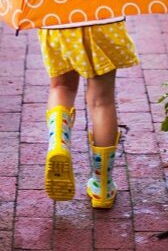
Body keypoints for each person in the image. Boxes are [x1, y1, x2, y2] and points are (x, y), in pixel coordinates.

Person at [38, 19, 139, 208]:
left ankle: (58, 142)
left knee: (61, 87)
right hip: (104, 21)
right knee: (102, 102)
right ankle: (102, 187)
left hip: (56, 21)